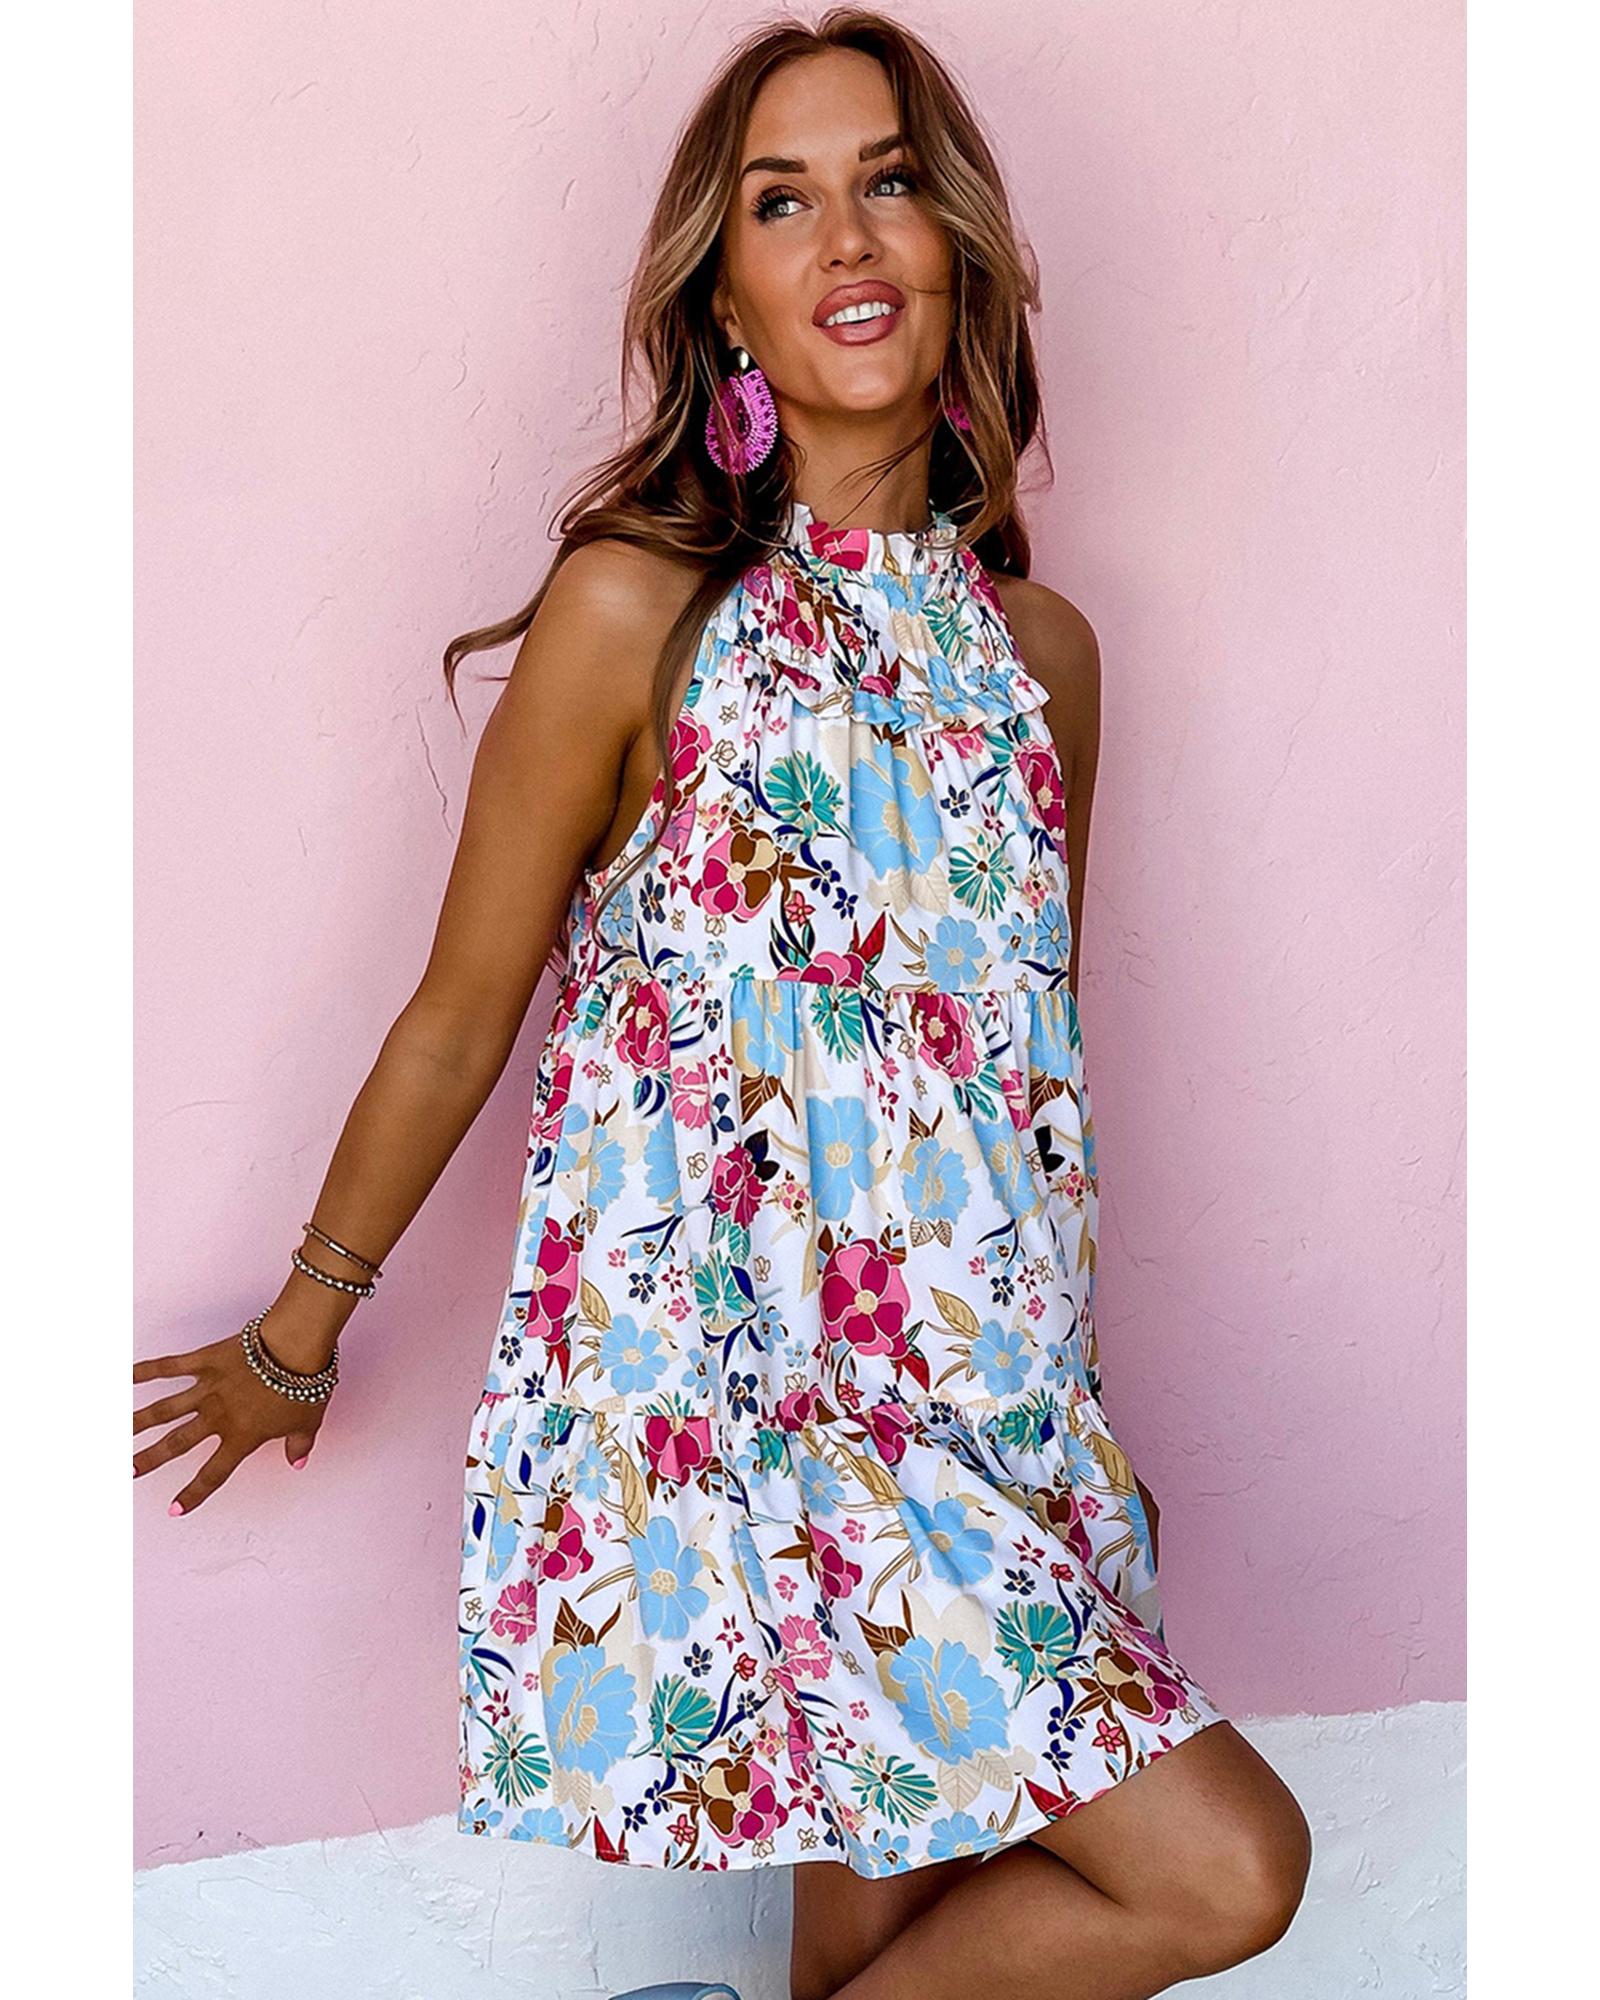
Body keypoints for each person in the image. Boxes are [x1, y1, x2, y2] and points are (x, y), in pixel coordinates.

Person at [134, 11, 1313, 1998]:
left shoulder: (1045, 659)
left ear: (956, 248)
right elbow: (462, 1009)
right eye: (782, 201)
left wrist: (1066, 1424)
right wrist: (299, 1334)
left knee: (882, 1940)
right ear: (725, 300)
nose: (845, 237)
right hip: (752, 1401)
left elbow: (1021, 1082)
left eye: (887, 183)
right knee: (1231, 1871)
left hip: (982, 1409)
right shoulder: (635, 610)